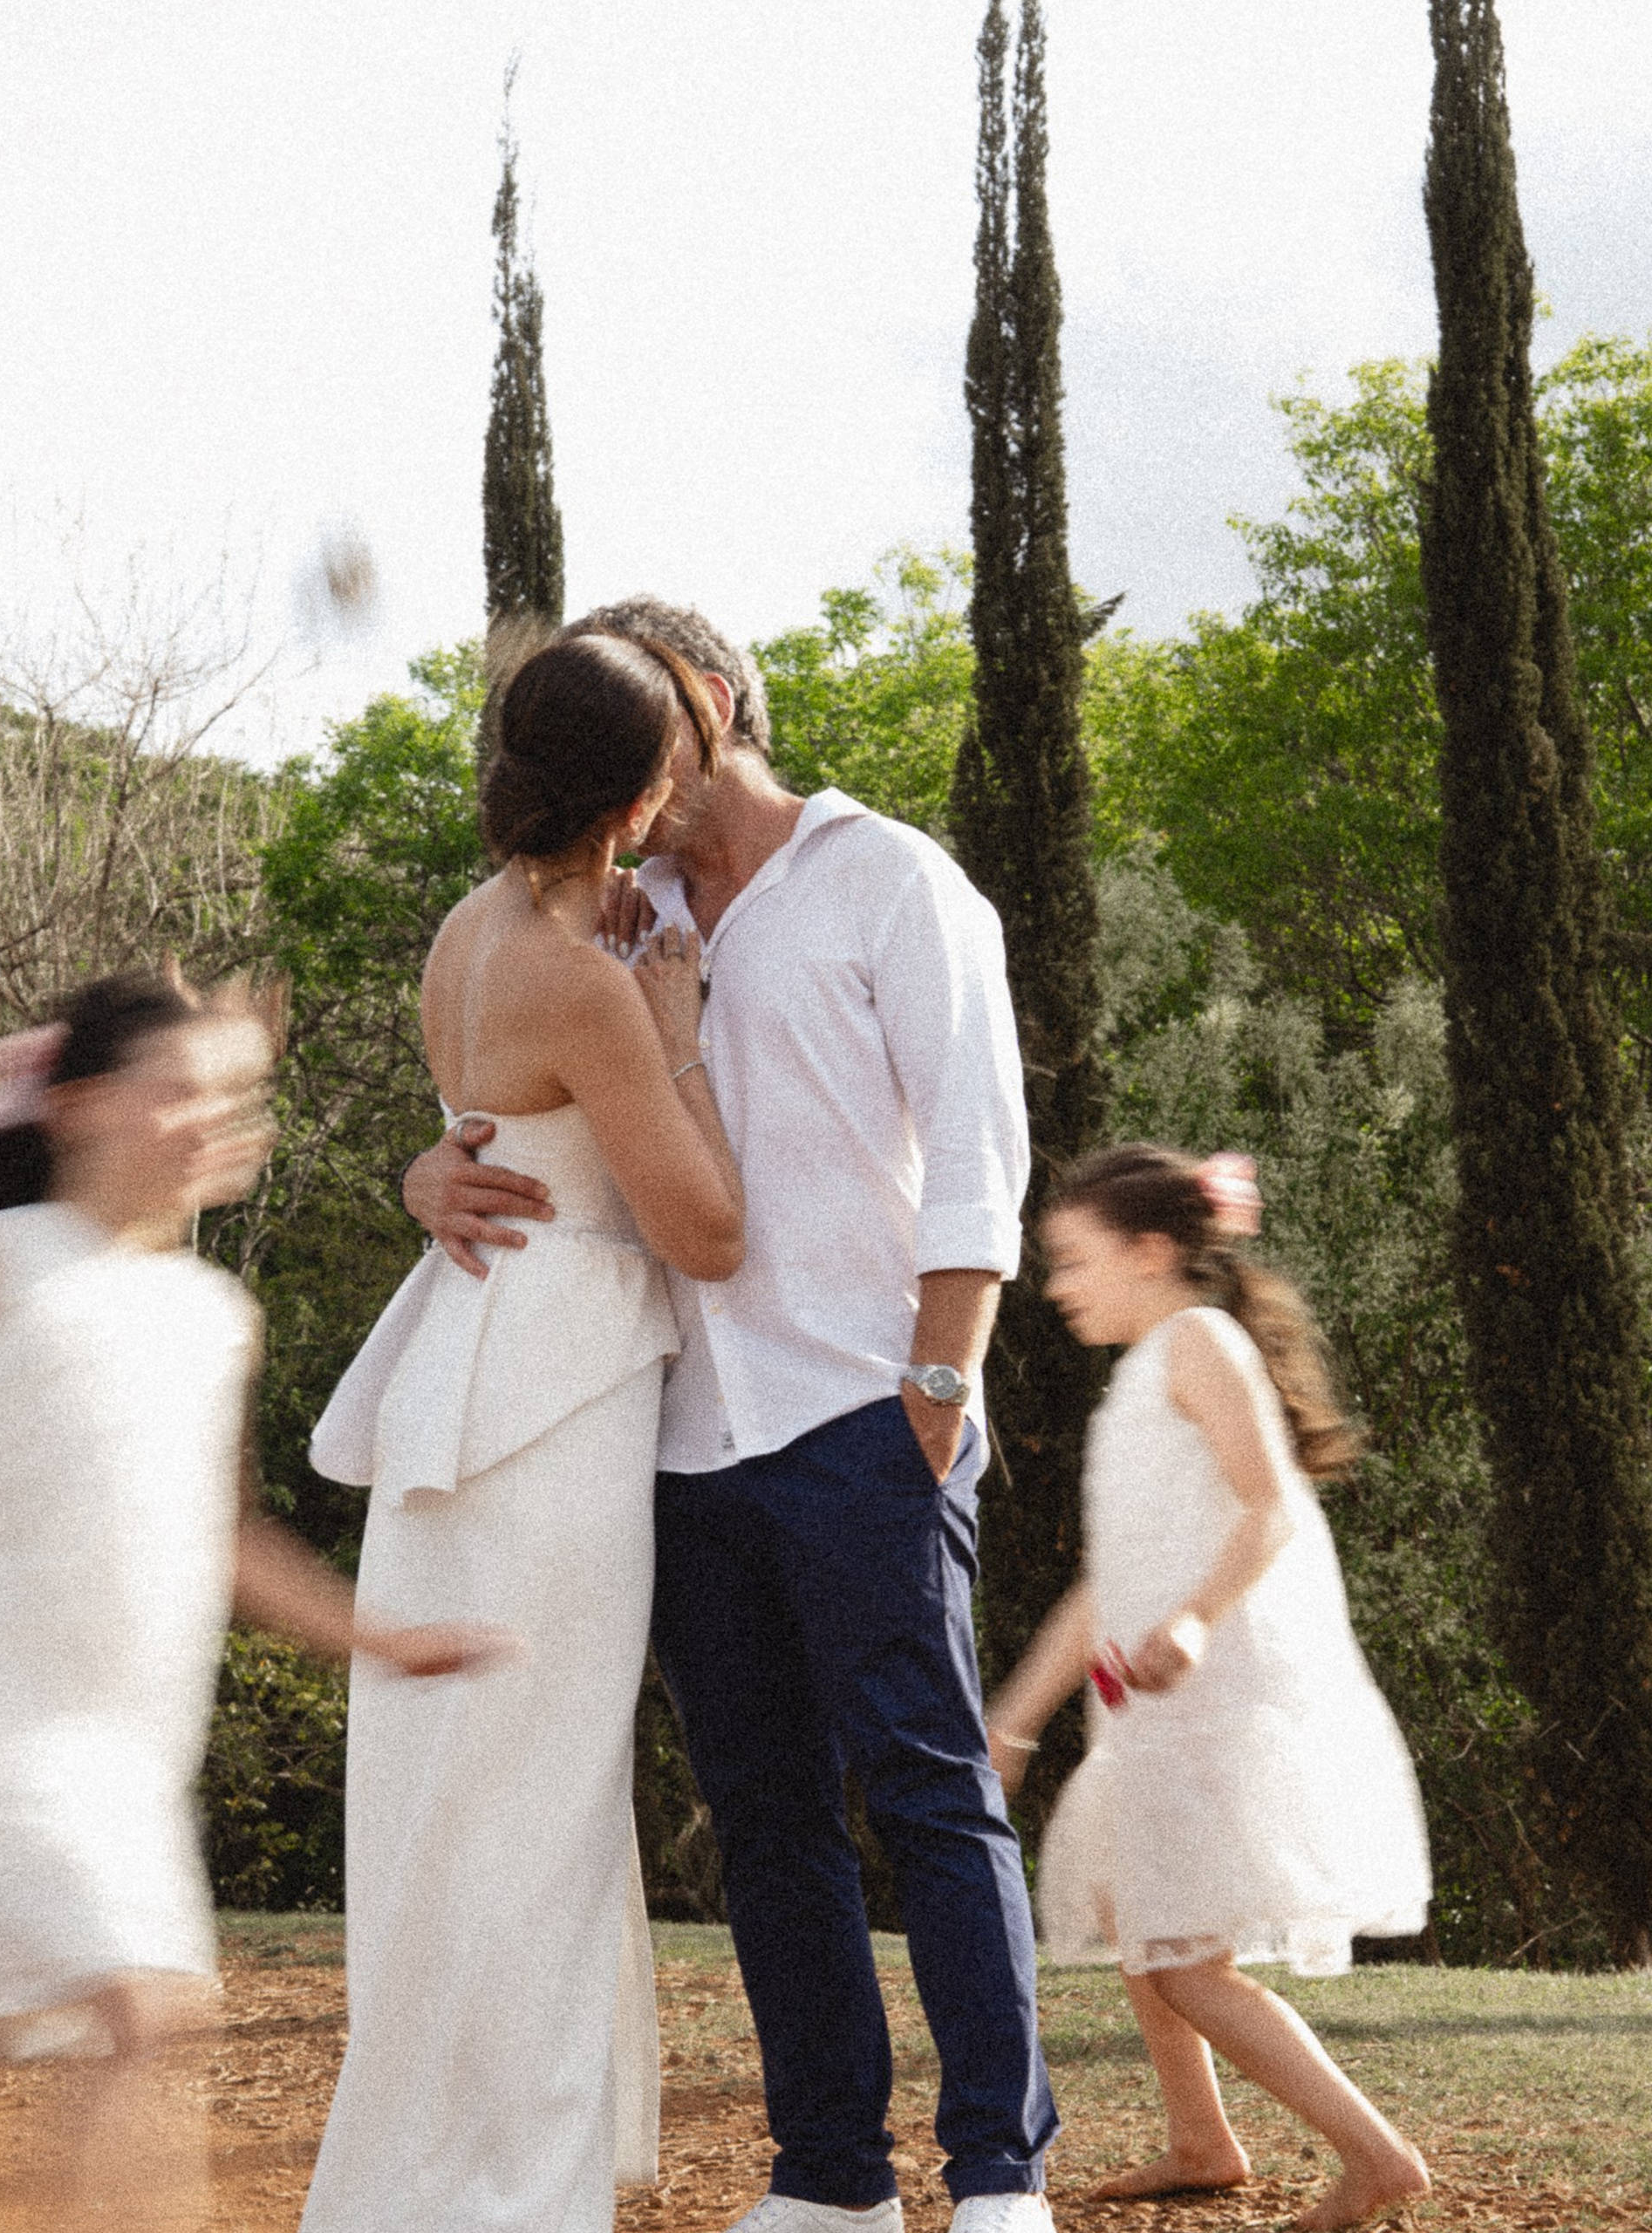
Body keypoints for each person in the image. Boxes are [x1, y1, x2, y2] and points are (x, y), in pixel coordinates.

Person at [406, 597, 1056, 2233]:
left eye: (637, 731)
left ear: (707, 704)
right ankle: (832, 2184)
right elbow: (534, 1118)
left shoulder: (892, 879)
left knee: (925, 1791)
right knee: (766, 1822)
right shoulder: (609, 915)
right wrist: (427, 1170)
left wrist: (939, 1377)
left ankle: (999, 2178)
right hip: (682, 1440)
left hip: (865, 1413)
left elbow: (982, 1149)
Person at [0, 972, 488, 2233]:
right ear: (82, 1106)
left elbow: (231, 1540)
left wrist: (380, 1637)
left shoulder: (216, 1316)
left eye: (232, 1098)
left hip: (109, 1748)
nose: (213, 1119)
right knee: (144, 2013)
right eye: (181, 1092)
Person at [297, 632, 747, 2233]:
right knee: (541, 1826)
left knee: (449, 1827)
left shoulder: (468, 934)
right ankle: (512, 2200)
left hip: (463, 1400)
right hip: (548, 1421)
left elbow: (478, 1146)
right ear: (640, 794)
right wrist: (676, 1010)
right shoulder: (585, 977)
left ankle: (433, 2186)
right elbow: (703, 1230)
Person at [984, 1144, 1431, 2232]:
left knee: (1183, 1960)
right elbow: (1105, 1582)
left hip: (1218, 1690)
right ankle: (1200, 2137)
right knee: (1148, 1917)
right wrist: (1018, 1715)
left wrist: (1188, 1620)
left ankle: (1376, 2157)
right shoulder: (1145, 1368)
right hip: (1150, 1701)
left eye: (1072, 1259)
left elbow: (1269, 1506)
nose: (1054, 1286)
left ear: (1151, 1251)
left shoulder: (1196, 1341)